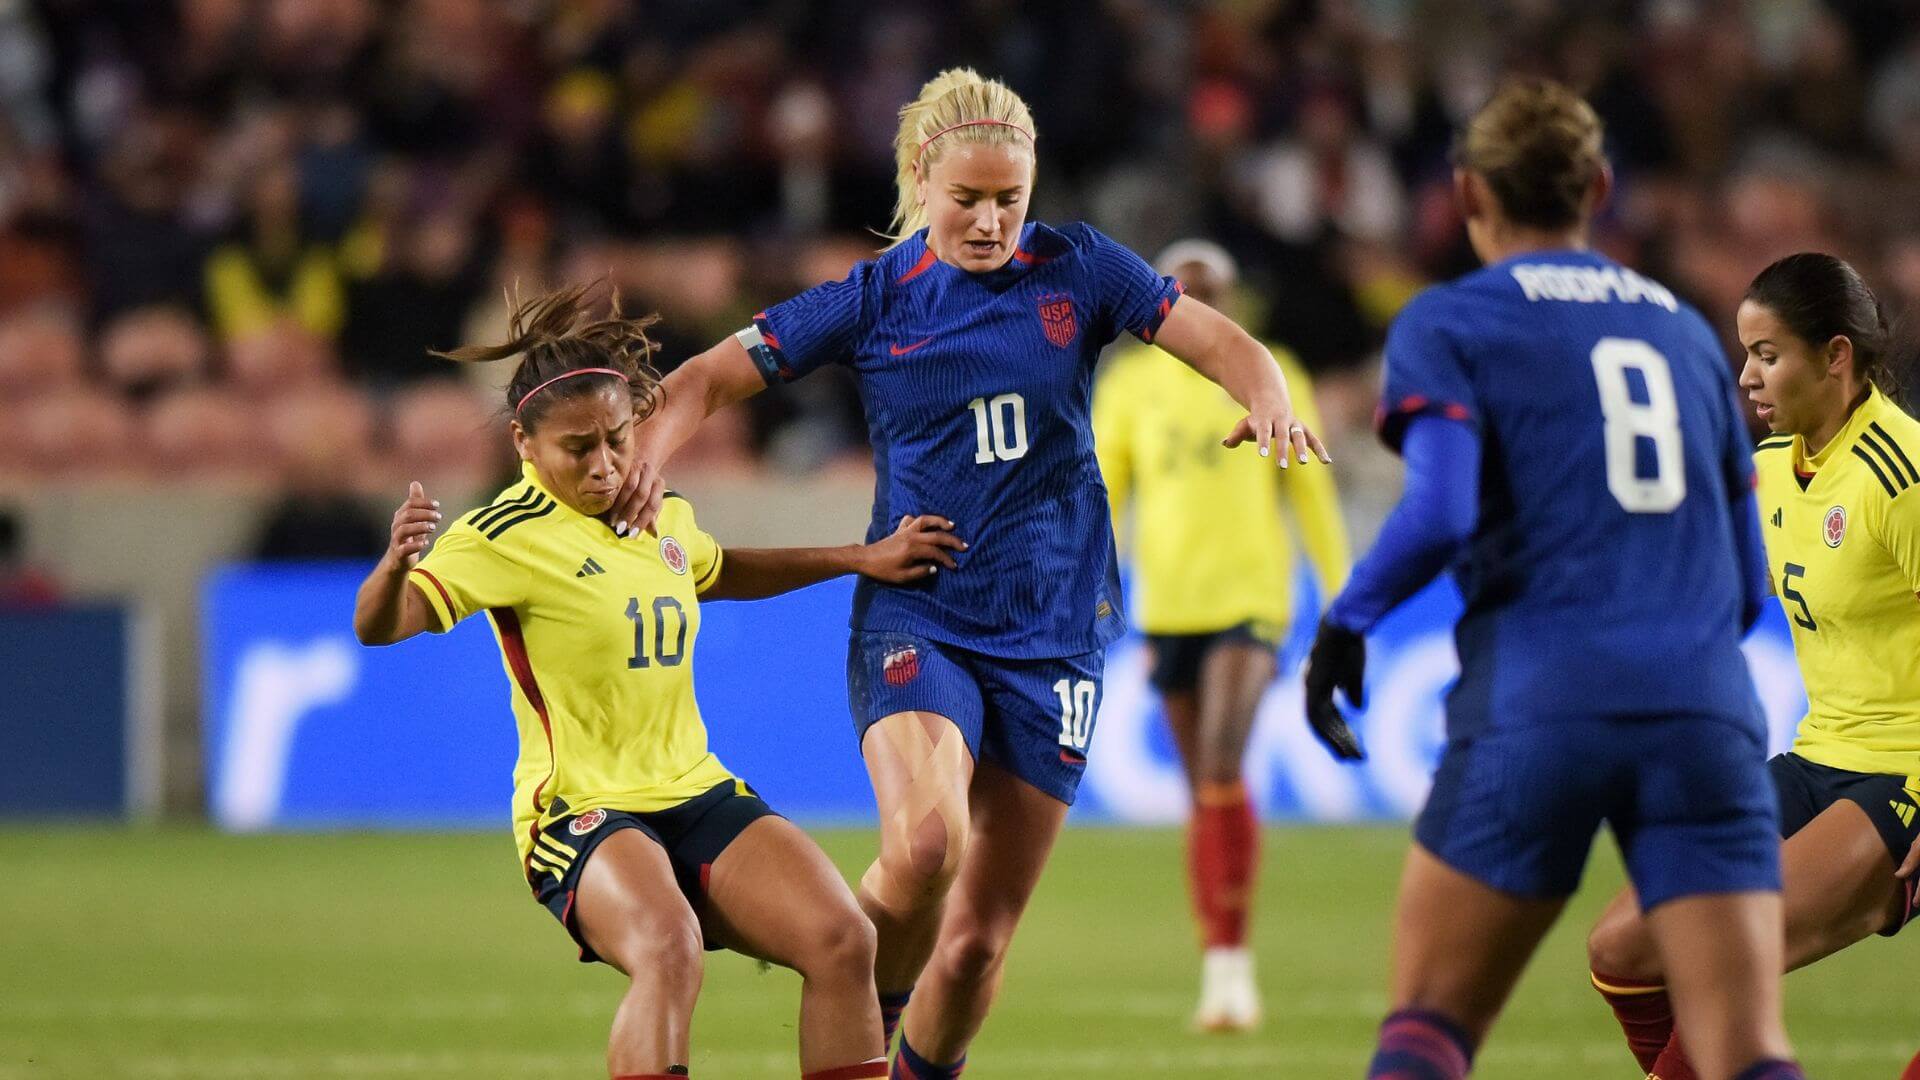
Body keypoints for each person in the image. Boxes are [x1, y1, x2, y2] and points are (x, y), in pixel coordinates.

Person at [607, 67, 1329, 1078]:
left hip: (1057, 632)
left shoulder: (1082, 268)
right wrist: (646, 457)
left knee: (982, 939)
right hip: (922, 611)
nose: (991, 222)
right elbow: (707, 378)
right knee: (924, 849)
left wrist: (1268, 395)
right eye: (968, 200)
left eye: (1009, 200)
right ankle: (845, 980)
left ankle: (892, 1040)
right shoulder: (872, 297)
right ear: (919, 176)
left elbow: (1222, 341)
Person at [1302, 78, 1807, 1080]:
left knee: (1428, 1030)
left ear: (1469, 195)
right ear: (1600, 186)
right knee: (1747, 1052)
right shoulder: (1687, 334)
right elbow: (1750, 586)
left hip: (1539, 702)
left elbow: (1441, 512)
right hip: (1703, 711)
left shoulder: (1449, 323)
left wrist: (1346, 620)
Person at [352, 283, 969, 1080]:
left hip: (693, 792)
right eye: (579, 448)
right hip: (580, 810)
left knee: (844, 938)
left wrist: (860, 557)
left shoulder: (657, 512)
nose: (606, 463)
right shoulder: (502, 534)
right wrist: (394, 567)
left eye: (616, 438)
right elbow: (383, 623)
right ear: (525, 444)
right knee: (669, 951)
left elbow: (717, 570)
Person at [1585, 252, 1920, 1080]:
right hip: (1817, 762)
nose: (1746, 377)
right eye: (1744, 355)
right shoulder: (1773, 468)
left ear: (1836, 356)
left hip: (1902, 774)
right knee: (1622, 947)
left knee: (1721, 961)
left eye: (1767, 355)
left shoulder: (1900, 474)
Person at [1091, 238, 1350, 1032]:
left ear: (1235, 298)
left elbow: (1313, 501)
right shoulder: (1132, 386)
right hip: (1168, 605)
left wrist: (1343, 608)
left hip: (1250, 601)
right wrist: (1088, 592)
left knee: (1220, 762)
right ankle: (1221, 961)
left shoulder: (1271, 374)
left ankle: (1231, 967)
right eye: (1185, 292)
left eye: (1215, 291)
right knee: (1206, 790)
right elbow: (1104, 494)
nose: (1202, 306)